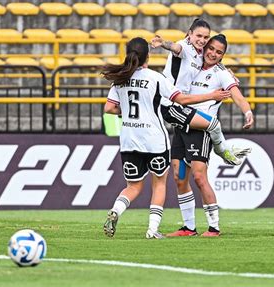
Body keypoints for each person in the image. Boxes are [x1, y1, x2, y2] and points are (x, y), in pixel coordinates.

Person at [101, 37, 232, 239]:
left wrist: (126, 111)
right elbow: (182, 99)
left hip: (129, 140)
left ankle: (115, 211)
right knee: (159, 183)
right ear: (148, 55)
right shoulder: (155, 78)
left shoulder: (120, 78)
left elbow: (109, 108)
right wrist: (211, 96)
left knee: (133, 186)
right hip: (154, 139)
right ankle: (152, 230)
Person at [166, 34, 254, 237]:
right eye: (211, 48)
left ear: (223, 56)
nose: (213, 54)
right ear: (205, 47)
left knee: (199, 176)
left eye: (219, 52)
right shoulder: (192, 63)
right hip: (181, 127)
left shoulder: (222, 73)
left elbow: (237, 95)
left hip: (201, 131)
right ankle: (188, 228)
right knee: (180, 177)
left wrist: (248, 112)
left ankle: (214, 227)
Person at [151, 18, 250, 166]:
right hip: (172, 104)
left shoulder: (204, 55)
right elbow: (177, 47)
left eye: (205, 37)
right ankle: (222, 149)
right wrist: (164, 43)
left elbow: (236, 93)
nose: (202, 41)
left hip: (186, 113)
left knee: (183, 176)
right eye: (199, 36)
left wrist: (248, 112)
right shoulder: (186, 47)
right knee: (214, 125)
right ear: (190, 34)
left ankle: (219, 151)